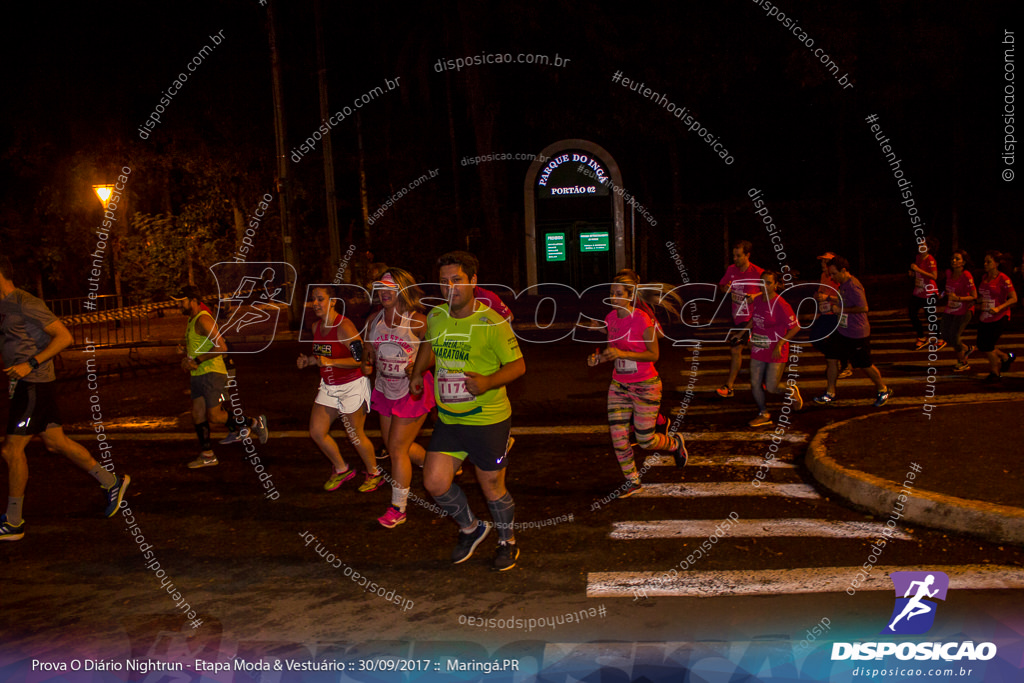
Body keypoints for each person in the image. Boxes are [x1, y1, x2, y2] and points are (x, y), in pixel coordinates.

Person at [1, 256, 130, 541]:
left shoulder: (26, 302)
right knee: (56, 443)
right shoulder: (5, 306)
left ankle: (13, 521)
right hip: (25, 384)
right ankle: (112, 482)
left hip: (33, 383)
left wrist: (30, 364)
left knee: (11, 450)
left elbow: (64, 337)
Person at [410, 251, 525, 571]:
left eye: (457, 280)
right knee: (434, 482)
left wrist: (487, 381)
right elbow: (429, 345)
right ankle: (472, 528)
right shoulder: (436, 316)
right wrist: (418, 373)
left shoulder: (492, 322)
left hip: (488, 420)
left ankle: (507, 541)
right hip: (450, 420)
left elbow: (518, 366)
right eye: (444, 282)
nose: (450, 288)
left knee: (492, 486)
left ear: (473, 281)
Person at [587, 270, 688, 498]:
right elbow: (612, 352)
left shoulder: (642, 318)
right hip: (619, 385)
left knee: (645, 440)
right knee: (618, 437)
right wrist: (598, 359)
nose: (613, 296)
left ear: (630, 296)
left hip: (646, 385)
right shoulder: (611, 318)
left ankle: (674, 444)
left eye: (618, 293)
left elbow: (653, 355)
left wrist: (622, 352)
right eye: (611, 292)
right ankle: (632, 481)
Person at [363, 269, 435, 528]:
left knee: (396, 449)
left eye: (390, 288)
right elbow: (368, 353)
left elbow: (435, 355)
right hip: (385, 389)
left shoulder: (418, 321)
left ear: (403, 290)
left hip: (412, 391)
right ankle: (437, 465)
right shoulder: (374, 320)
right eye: (381, 288)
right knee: (396, 446)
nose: (384, 293)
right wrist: (366, 362)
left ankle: (398, 508)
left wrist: (418, 366)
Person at [297, 285, 382, 491]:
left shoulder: (344, 327)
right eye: (313, 299)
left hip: (352, 385)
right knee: (317, 431)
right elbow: (322, 357)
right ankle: (342, 469)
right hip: (329, 386)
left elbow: (362, 360)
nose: (315, 303)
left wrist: (331, 362)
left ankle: (374, 473)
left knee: (354, 434)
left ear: (332, 301)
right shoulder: (316, 326)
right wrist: (309, 361)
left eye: (320, 299)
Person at [176, 286, 268, 468]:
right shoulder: (192, 320)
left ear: (193, 300)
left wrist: (197, 359)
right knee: (197, 414)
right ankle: (208, 455)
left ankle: (254, 422)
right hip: (198, 374)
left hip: (212, 373)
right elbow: (198, 348)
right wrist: (186, 356)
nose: (179, 304)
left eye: (182, 301)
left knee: (215, 416)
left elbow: (221, 346)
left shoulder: (203, 319)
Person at [812, 256, 893, 407]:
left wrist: (840, 309)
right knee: (830, 357)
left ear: (844, 271)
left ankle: (883, 389)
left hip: (856, 333)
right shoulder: (842, 284)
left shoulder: (853, 285)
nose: (832, 277)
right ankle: (830, 392)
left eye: (834, 273)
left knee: (865, 364)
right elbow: (843, 300)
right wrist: (830, 300)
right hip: (843, 330)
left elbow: (863, 308)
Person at [732, 270, 803, 427]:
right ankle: (763, 413)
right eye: (762, 282)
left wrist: (780, 343)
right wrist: (741, 333)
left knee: (772, 387)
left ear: (776, 285)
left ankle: (791, 391)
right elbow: (755, 319)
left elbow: (796, 327)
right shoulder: (758, 300)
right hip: (759, 347)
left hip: (776, 349)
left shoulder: (781, 305)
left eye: (769, 282)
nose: (764, 285)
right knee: (755, 382)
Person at [716, 240, 763, 397]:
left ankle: (729, 386)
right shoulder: (731, 269)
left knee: (736, 348)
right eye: (733, 255)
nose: (735, 259)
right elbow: (722, 286)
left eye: (738, 256)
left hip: (751, 318)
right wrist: (726, 288)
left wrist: (754, 296)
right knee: (755, 348)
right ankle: (767, 376)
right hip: (737, 317)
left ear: (747, 255)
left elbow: (769, 291)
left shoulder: (757, 272)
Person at [976, 251, 1018, 383]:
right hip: (985, 315)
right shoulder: (984, 277)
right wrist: (975, 301)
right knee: (981, 345)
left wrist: (999, 308)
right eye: (984, 261)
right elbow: (983, 296)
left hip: (1000, 316)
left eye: (988, 261)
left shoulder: (1003, 279)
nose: (985, 264)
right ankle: (1005, 357)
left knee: (988, 345)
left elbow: (1014, 298)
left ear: (997, 264)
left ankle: (995, 373)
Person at [809, 252, 851, 379]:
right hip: (825, 313)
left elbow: (843, 298)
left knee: (834, 340)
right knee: (815, 338)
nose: (822, 264)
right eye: (822, 262)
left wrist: (827, 297)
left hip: (835, 313)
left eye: (825, 262)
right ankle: (834, 359)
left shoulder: (838, 278)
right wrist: (818, 300)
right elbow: (822, 293)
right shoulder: (824, 276)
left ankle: (843, 364)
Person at [941, 250, 977, 373]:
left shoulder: (966, 275)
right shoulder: (949, 273)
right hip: (950, 308)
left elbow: (974, 296)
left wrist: (959, 298)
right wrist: (941, 294)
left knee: (955, 336)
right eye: (952, 258)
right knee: (944, 334)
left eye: (957, 259)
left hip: (964, 309)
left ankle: (963, 362)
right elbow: (947, 289)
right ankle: (966, 348)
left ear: (964, 262)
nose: (953, 261)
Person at [908, 237, 941, 350]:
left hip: (929, 292)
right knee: (912, 313)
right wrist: (913, 274)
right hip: (918, 291)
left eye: (922, 245)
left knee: (930, 316)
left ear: (928, 247)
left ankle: (939, 338)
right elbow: (918, 273)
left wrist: (918, 270)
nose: (920, 247)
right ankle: (921, 337)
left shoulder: (930, 259)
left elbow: (934, 276)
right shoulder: (918, 257)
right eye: (919, 245)